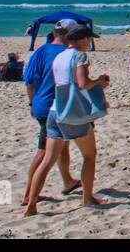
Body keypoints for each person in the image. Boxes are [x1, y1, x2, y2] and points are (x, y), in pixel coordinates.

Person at [25, 25, 108, 215]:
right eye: (88, 39)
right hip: (74, 113)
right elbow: (83, 83)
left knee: (47, 160)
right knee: (89, 155)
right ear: (81, 39)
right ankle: (88, 198)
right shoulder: (80, 56)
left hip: (55, 111)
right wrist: (99, 82)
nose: (90, 42)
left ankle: (31, 204)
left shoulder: (59, 56)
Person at [22, 25, 78, 206]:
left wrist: (32, 102)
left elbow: (29, 80)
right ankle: (29, 196)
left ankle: (68, 181)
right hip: (54, 107)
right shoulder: (69, 53)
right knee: (45, 152)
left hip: (41, 105)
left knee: (62, 145)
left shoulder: (41, 50)